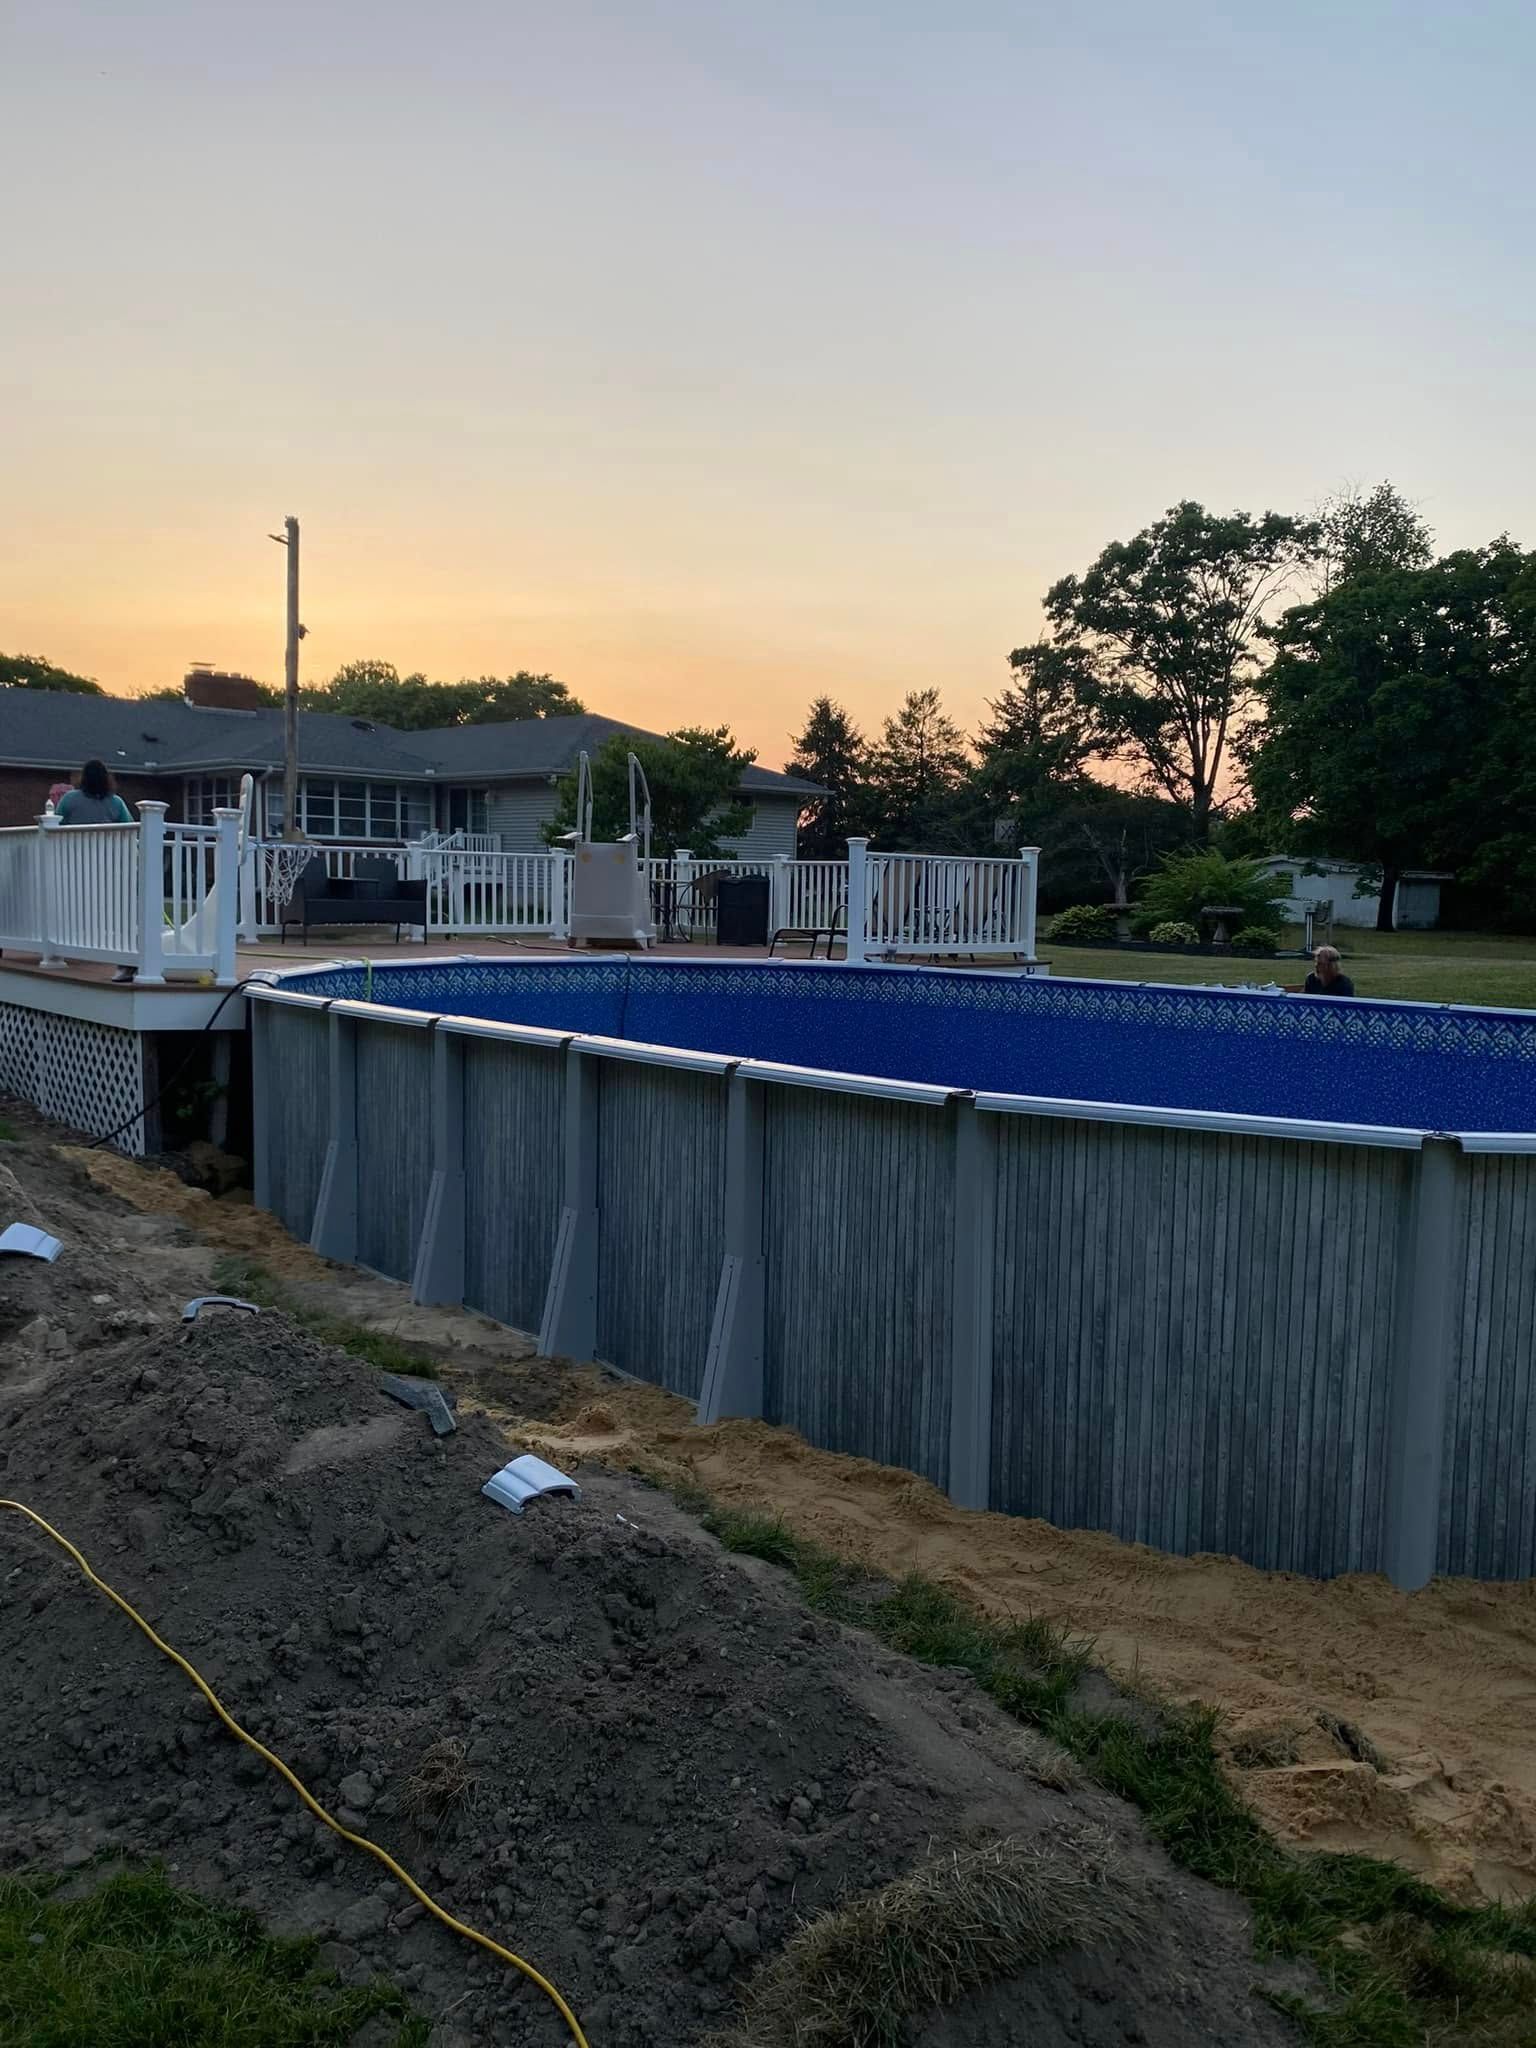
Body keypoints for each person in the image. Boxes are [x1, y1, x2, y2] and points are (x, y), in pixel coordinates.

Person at [54, 760, 136, 980]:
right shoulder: (116, 802)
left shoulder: (70, 799)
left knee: (73, 905)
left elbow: (55, 826)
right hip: (107, 866)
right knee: (109, 908)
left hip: (72, 864)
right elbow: (129, 828)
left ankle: (70, 943)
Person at [54, 759, 133, 826]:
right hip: (106, 844)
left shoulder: (69, 798)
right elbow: (130, 826)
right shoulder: (116, 802)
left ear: (84, 778)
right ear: (106, 779)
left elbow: (55, 823)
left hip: (75, 844)